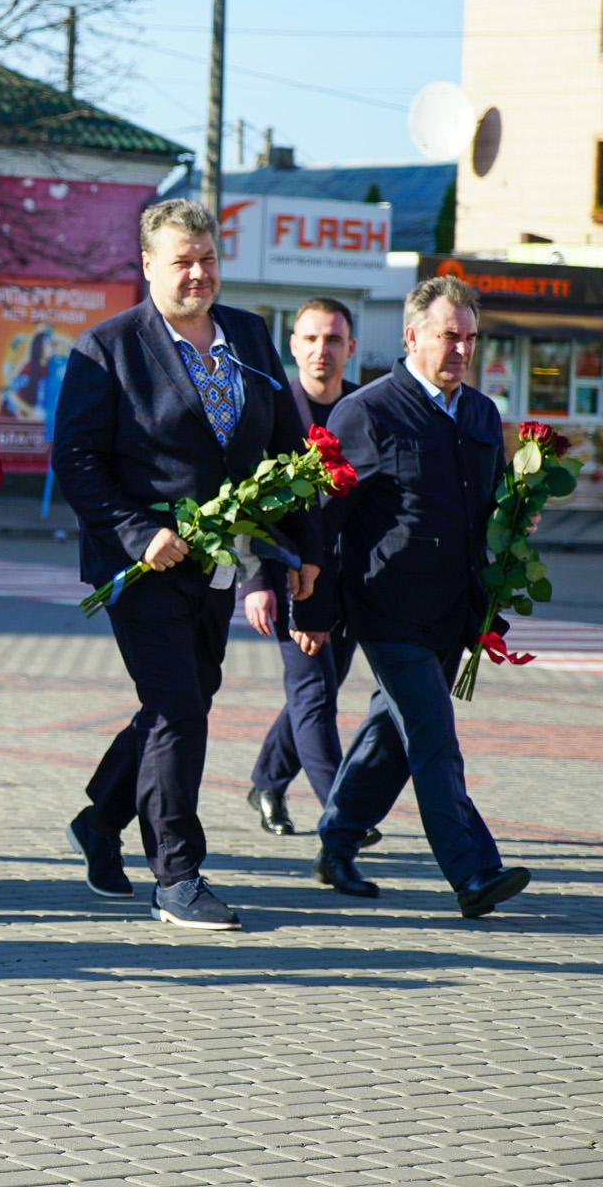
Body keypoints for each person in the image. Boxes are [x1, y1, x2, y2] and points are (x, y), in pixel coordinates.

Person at [51, 198, 318, 932]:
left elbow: (288, 454)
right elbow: (74, 461)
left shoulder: (250, 336)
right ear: (147, 266)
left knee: (187, 695)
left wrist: (299, 550)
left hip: (222, 563)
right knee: (178, 707)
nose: (198, 272)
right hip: (139, 566)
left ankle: (100, 820)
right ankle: (176, 875)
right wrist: (138, 534)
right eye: (182, 260)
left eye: (207, 258)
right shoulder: (107, 348)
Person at [292, 275, 532, 919]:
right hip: (386, 606)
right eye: (449, 335)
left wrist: (516, 521)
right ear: (411, 336)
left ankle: (337, 841)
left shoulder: (481, 413)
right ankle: (473, 870)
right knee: (431, 730)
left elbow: (487, 507)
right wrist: (312, 611)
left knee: (391, 735)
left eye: (470, 338)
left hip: (452, 611)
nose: (460, 349)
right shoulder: (367, 411)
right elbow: (321, 518)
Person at [236, 297, 370, 838]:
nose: (322, 351)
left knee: (318, 693)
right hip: (291, 578)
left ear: (351, 348)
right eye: (310, 339)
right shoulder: (271, 412)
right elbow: (248, 505)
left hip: (350, 584)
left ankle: (267, 781)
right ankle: (344, 814)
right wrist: (257, 582)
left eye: (333, 340)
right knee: (313, 696)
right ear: (292, 346)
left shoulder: (366, 409)